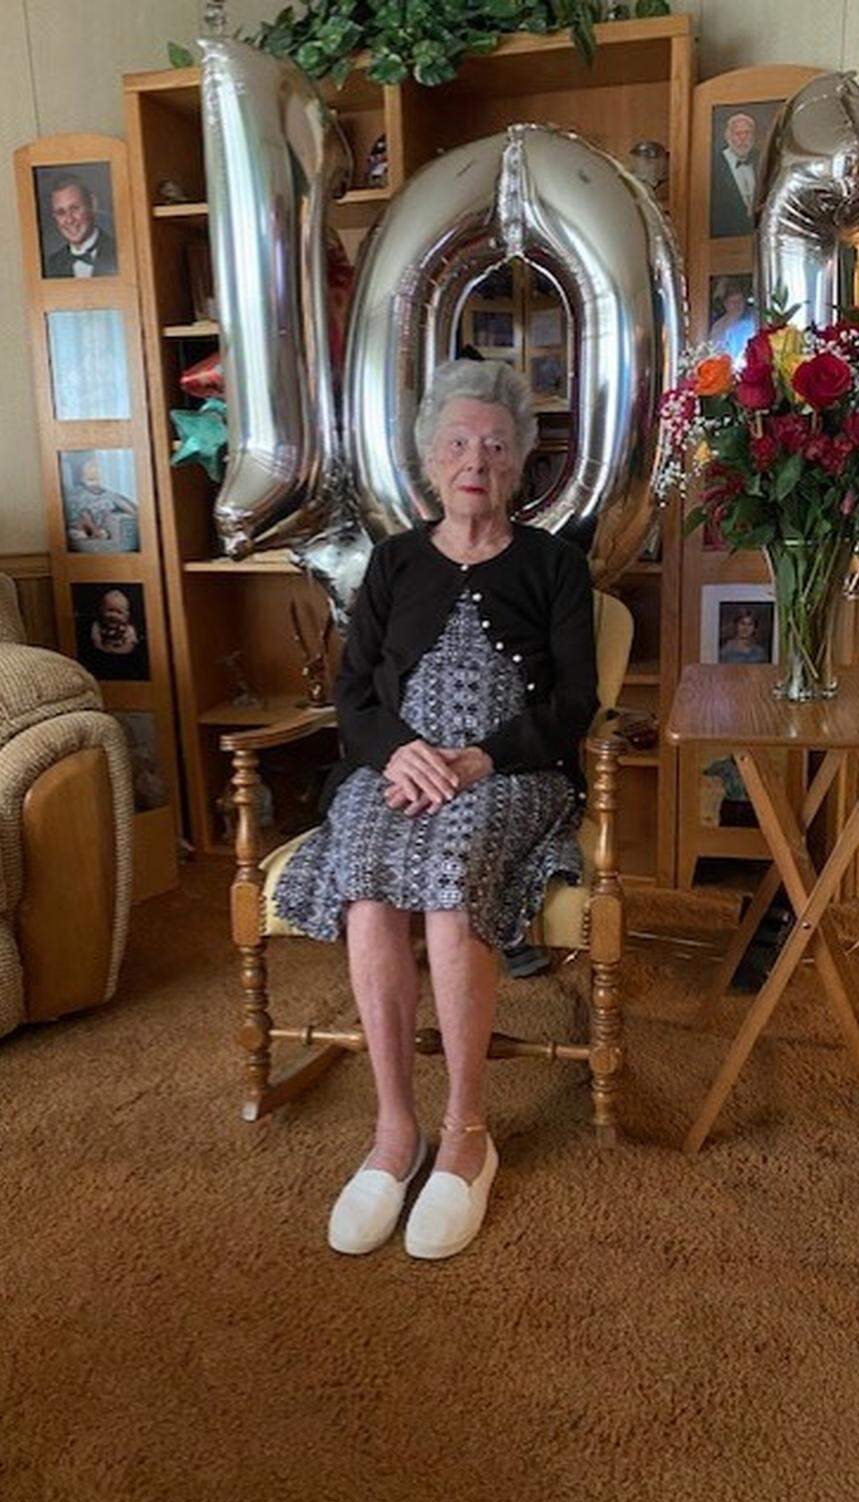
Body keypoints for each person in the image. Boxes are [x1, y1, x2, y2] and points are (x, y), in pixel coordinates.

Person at [274, 358, 597, 1261]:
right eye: (456, 443)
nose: (475, 460)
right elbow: (353, 693)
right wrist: (398, 754)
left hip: (510, 772)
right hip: (400, 769)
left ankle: (464, 1134)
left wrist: (479, 755)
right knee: (370, 882)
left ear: (521, 463)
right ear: (428, 461)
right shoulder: (393, 562)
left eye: (496, 445)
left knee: (453, 880)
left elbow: (576, 704)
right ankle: (392, 1130)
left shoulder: (555, 566)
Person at [44, 174, 118, 279]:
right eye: (61, 212)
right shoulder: (51, 265)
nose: (69, 220)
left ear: (93, 204)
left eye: (74, 208)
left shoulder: (120, 253)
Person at [65, 456, 139, 551]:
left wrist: (134, 511)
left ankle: (87, 534)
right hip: (84, 522)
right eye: (91, 480)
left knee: (124, 506)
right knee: (84, 514)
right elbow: (80, 511)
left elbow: (122, 501)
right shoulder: (82, 493)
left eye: (99, 480)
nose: (96, 484)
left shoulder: (109, 494)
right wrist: (95, 529)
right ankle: (91, 532)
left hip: (99, 523)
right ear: (83, 480)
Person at [710, 111, 759, 239]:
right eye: (738, 133)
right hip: (724, 241)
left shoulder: (762, 161)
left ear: (754, 137)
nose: (743, 138)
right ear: (728, 136)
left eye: (747, 133)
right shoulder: (712, 165)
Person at [708, 277, 758, 363]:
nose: (737, 305)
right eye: (733, 302)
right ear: (725, 304)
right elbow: (715, 355)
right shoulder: (718, 327)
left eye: (740, 301)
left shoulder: (754, 319)